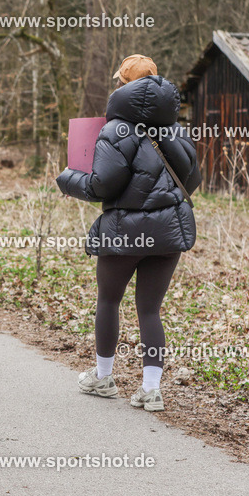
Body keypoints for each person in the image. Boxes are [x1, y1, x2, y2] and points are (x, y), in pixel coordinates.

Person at [56, 54, 201, 412]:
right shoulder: (177, 130)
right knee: (150, 310)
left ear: (123, 86)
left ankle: (103, 378)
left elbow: (103, 185)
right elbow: (193, 181)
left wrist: (68, 179)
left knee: (109, 301)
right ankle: (151, 390)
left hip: (124, 234)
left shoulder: (115, 129)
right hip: (168, 233)